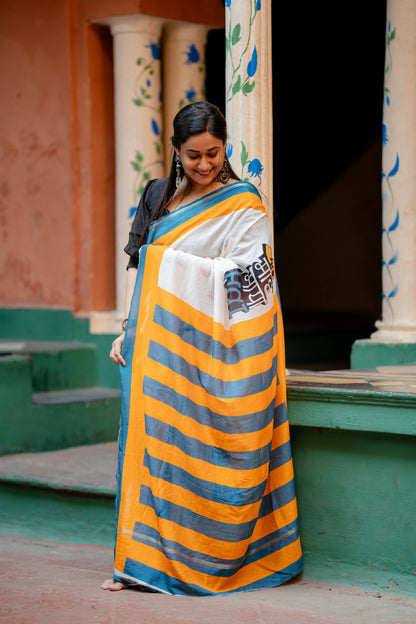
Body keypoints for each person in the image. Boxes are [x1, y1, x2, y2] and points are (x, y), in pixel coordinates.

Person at [102, 101, 302, 595]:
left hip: (214, 352)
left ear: (224, 148)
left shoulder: (243, 203)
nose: (205, 164)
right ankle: (140, 564)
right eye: (194, 156)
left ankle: (215, 557)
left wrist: (169, 266)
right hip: (158, 346)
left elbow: (254, 278)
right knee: (150, 450)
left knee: (200, 452)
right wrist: (128, 327)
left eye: (214, 153)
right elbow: (139, 267)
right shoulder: (157, 196)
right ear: (176, 151)